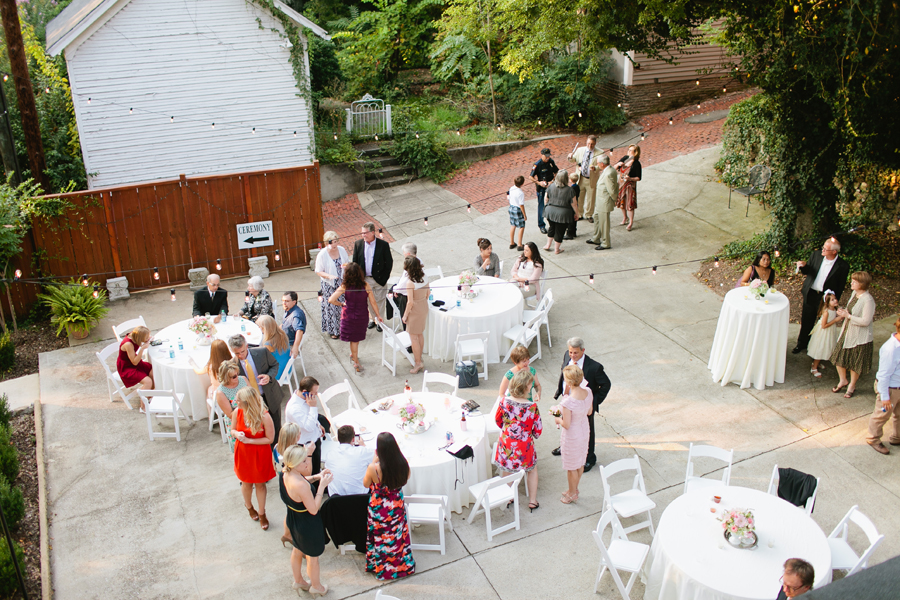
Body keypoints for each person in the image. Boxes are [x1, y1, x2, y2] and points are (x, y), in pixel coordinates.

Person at [280, 444, 333, 596]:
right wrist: (322, 486)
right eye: (303, 461)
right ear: (295, 463)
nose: (307, 462)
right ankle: (316, 586)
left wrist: (317, 476)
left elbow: (302, 479)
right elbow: (314, 509)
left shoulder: (286, 473)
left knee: (297, 550)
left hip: (294, 519)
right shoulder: (302, 486)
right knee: (313, 558)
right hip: (307, 525)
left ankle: (298, 580)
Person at [551, 337, 612, 471]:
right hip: (567, 398)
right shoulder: (567, 356)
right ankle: (565, 447)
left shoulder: (594, 367)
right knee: (567, 424)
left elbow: (606, 384)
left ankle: (589, 458)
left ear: (583, 350)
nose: (572, 355)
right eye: (571, 352)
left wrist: (593, 401)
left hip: (583, 404)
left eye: (576, 353)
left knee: (587, 430)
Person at [364, 432, 415, 580]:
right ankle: (401, 566)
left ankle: (381, 567)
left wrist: (374, 461)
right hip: (396, 504)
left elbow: (366, 484)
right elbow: (406, 477)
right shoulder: (402, 463)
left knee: (380, 537)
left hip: (379, 507)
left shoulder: (374, 468)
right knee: (398, 535)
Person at [493, 370, 543, 511]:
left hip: (507, 444)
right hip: (524, 446)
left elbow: (498, 421)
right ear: (526, 387)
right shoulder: (532, 407)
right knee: (532, 470)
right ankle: (532, 500)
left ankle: (508, 496)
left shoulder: (504, 402)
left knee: (507, 470)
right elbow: (538, 431)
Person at [793, 238, 850, 353]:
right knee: (807, 320)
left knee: (823, 323)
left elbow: (840, 285)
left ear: (834, 252)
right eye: (823, 247)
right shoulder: (816, 255)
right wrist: (803, 266)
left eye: (826, 249)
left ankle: (818, 349)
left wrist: (834, 302)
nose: (822, 250)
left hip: (825, 298)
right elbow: (809, 271)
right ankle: (802, 344)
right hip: (811, 293)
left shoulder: (843, 266)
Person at [231, 387, 276, 531]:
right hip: (243, 453)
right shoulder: (237, 412)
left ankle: (262, 513)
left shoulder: (264, 416)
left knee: (261, 485)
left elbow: (270, 439)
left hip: (259, 452)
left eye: (238, 400)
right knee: (246, 484)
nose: (235, 402)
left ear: (247, 402)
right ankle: (249, 506)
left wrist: (250, 441)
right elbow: (232, 430)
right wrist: (237, 434)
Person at [229, 334, 284, 446]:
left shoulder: (262, 352)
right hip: (252, 402)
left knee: (276, 426)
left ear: (247, 346)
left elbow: (274, 365)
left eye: (242, 351)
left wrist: (268, 376)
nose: (240, 355)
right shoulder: (233, 364)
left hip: (270, 395)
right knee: (259, 429)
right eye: (237, 353)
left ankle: (277, 452)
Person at [329, 262, 383, 373]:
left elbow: (331, 300)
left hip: (348, 316)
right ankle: (355, 360)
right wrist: (378, 315)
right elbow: (373, 302)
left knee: (354, 340)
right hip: (361, 315)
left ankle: (354, 356)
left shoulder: (345, 286)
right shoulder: (365, 285)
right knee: (356, 339)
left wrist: (342, 304)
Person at [830, 271, 876, 399]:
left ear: (862, 284)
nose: (851, 283)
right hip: (847, 331)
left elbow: (866, 321)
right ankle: (843, 380)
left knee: (855, 362)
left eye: (854, 282)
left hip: (860, 336)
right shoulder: (854, 294)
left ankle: (852, 385)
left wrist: (848, 316)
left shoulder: (868, 300)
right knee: (839, 357)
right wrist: (844, 311)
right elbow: (850, 311)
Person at [554, 365, 592, 504]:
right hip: (584, 430)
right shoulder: (588, 392)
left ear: (569, 382)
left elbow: (566, 424)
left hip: (572, 435)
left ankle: (571, 493)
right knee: (580, 462)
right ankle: (574, 489)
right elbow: (589, 412)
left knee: (571, 467)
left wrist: (557, 418)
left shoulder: (568, 403)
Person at [867, 317, 900, 454]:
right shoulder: (890, 349)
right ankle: (873, 439)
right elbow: (883, 376)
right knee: (881, 415)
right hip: (890, 389)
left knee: (899, 414)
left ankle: (897, 437)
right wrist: (885, 397)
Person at [284, 376, 331, 475]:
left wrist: (318, 425)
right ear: (305, 392)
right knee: (310, 472)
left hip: (314, 440)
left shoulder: (306, 400)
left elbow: (309, 416)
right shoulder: (294, 408)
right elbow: (308, 427)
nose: (315, 396)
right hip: (305, 445)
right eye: (314, 393)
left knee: (316, 468)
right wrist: (313, 407)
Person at [352, 222, 393, 333]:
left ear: (372, 232)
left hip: (379, 279)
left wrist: (384, 278)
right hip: (365, 279)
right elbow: (355, 262)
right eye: (362, 233)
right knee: (369, 301)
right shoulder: (358, 244)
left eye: (365, 233)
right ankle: (373, 319)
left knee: (380, 300)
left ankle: (380, 321)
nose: (363, 235)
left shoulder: (383, 245)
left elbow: (389, 263)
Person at [314, 231, 349, 339]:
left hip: (342, 283)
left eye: (335, 242)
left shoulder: (342, 250)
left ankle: (345, 328)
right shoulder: (322, 254)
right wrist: (329, 276)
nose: (334, 245)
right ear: (326, 243)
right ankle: (334, 331)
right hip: (329, 285)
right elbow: (318, 271)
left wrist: (345, 267)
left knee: (343, 305)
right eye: (331, 242)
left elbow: (347, 263)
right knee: (332, 307)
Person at [327, 425, 375, 496]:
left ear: (338, 438)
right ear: (353, 439)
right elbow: (377, 456)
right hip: (361, 497)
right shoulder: (361, 451)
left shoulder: (330, 455)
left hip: (336, 500)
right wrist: (364, 446)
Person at [402, 256, 429, 374]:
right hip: (423, 306)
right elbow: (428, 293)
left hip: (415, 310)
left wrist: (405, 315)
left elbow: (410, 302)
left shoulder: (410, 283)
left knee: (413, 338)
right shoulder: (425, 277)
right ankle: (420, 358)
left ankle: (418, 363)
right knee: (420, 335)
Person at [116, 325, 154, 411]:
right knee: (148, 381)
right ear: (139, 337)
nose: (147, 338)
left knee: (152, 371)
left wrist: (148, 339)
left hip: (134, 362)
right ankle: (143, 407)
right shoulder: (128, 344)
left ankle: (149, 394)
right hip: (127, 367)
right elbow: (134, 362)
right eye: (145, 337)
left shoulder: (135, 335)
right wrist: (142, 349)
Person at [807, 291, 842, 377]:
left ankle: (817, 363)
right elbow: (824, 326)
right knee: (821, 348)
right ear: (827, 302)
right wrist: (835, 320)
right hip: (824, 333)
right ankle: (814, 368)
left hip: (829, 331)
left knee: (825, 348)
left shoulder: (833, 309)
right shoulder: (826, 312)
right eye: (832, 300)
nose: (835, 301)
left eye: (835, 299)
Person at [215, 361, 249, 453]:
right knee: (241, 451)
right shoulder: (221, 392)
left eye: (237, 374)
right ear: (226, 378)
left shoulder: (243, 380)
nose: (237, 377)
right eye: (234, 376)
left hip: (250, 418)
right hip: (235, 422)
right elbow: (230, 414)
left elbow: (254, 396)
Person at [542, 170, 578, 255]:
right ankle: (557, 249)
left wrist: (546, 207)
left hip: (550, 212)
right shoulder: (570, 190)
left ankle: (548, 245)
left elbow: (546, 199)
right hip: (563, 214)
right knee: (560, 231)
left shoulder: (550, 187)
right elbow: (574, 204)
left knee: (552, 227)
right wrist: (577, 213)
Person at [587, 153, 618, 251]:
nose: (597, 165)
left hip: (604, 202)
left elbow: (612, 190)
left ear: (602, 164)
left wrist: (615, 200)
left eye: (598, 163)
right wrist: (595, 168)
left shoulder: (608, 174)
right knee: (596, 218)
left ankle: (605, 243)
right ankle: (596, 238)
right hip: (600, 201)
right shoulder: (608, 169)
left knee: (604, 223)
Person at [567, 135, 600, 225]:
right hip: (580, 178)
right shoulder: (580, 150)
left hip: (591, 179)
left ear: (595, 144)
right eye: (588, 143)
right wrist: (570, 157)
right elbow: (573, 160)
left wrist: (595, 168)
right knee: (579, 197)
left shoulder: (599, 152)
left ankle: (589, 214)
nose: (590, 146)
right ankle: (580, 214)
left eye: (592, 144)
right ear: (586, 143)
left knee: (591, 198)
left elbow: (601, 165)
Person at [391, 242, 422, 330]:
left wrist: (395, 289)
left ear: (408, 254)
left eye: (404, 252)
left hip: (406, 296)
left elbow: (402, 285)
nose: (403, 254)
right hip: (416, 294)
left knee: (408, 325)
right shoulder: (419, 261)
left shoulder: (410, 265)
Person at [529, 148, 559, 235]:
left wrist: (552, 181)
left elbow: (557, 172)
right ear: (542, 155)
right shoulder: (537, 165)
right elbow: (530, 177)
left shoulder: (551, 162)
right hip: (542, 188)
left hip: (551, 186)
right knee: (541, 207)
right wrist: (539, 183)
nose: (547, 158)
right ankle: (541, 225)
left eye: (548, 156)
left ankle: (553, 223)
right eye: (546, 156)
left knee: (553, 204)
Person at [614, 144, 642, 231]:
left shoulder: (636, 163)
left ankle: (631, 222)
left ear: (635, 153)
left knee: (630, 204)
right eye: (629, 149)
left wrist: (630, 178)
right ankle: (624, 218)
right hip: (621, 184)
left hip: (630, 186)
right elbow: (614, 168)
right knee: (622, 202)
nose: (629, 151)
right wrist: (618, 164)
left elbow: (639, 178)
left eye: (631, 150)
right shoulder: (625, 158)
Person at [258, 315, 291, 379]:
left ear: (265, 328)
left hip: (278, 373)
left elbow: (262, 360)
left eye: (260, 327)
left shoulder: (268, 343)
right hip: (286, 368)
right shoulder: (282, 333)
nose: (259, 328)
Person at [205, 338, 232, 406]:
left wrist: (192, 363)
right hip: (232, 394)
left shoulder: (211, 367)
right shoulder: (232, 363)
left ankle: (210, 415)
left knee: (209, 389)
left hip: (219, 396)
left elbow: (198, 371)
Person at [281, 291, 306, 356]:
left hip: (289, 344)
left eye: (286, 301)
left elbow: (299, 331)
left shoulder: (296, 315)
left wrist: (295, 347)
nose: (284, 303)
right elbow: (284, 325)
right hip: (284, 337)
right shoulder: (288, 309)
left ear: (294, 302)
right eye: (283, 300)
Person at [508, 175, 527, 251]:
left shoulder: (511, 188)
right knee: (521, 226)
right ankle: (519, 244)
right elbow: (521, 205)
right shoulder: (520, 193)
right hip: (517, 209)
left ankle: (512, 242)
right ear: (522, 183)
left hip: (511, 207)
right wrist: (524, 215)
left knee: (513, 225)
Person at [565, 171, 580, 239]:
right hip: (577, 203)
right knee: (574, 220)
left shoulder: (571, 189)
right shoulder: (577, 187)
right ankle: (574, 232)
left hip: (571, 205)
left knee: (570, 220)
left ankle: (570, 234)